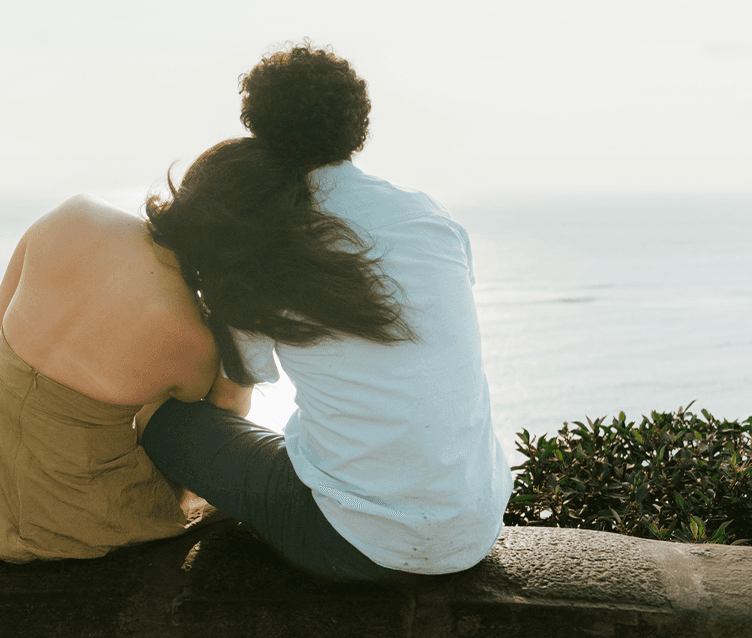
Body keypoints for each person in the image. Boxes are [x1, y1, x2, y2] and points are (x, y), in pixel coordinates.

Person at [138, 43, 514, 581]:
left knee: (163, 420)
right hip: (474, 530)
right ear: (358, 126)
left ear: (257, 129)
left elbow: (231, 396)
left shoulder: (265, 234)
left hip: (354, 545)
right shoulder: (428, 215)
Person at [0, 193, 241, 563]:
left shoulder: (74, 213)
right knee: (223, 506)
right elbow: (215, 419)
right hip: (69, 518)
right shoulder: (194, 336)